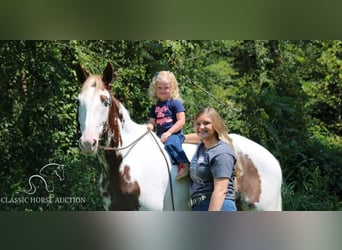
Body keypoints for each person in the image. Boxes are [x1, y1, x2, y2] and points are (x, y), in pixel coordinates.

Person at [187, 108, 239, 211]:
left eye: (206, 123)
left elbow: (220, 190)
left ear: (215, 125)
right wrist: (175, 138)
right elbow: (196, 137)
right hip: (199, 206)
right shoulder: (202, 148)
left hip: (219, 206)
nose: (201, 127)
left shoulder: (222, 152)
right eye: (198, 124)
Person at [147, 71, 190, 180]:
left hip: (174, 134)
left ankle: (184, 164)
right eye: (159, 88)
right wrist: (149, 126)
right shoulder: (155, 106)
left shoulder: (175, 103)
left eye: (166, 88)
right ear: (155, 88)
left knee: (170, 144)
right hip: (160, 135)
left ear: (173, 88)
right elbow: (152, 121)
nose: (162, 91)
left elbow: (181, 121)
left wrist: (169, 132)